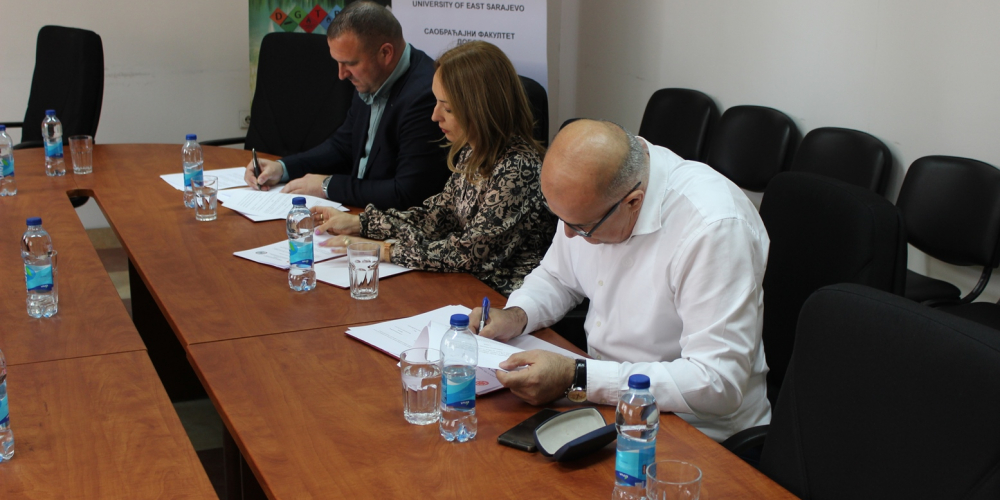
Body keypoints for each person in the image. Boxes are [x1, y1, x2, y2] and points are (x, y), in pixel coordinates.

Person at [471, 120, 771, 442]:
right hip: (602, 403)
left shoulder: (714, 228)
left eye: (581, 227)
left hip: (692, 431)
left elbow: (716, 382)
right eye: (562, 219)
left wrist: (578, 376)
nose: (568, 234)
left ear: (633, 202)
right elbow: (558, 276)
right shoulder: (593, 194)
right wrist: (517, 315)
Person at [310, 41, 556, 296]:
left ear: (481, 109)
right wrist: (360, 223)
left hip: (500, 300)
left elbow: (468, 254)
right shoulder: (473, 150)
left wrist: (383, 250)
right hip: (463, 284)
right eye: (436, 102)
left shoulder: (517, 170)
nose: (435, 116)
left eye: (448, 108)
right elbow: (436, 218)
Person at [244, 1, 449, 210]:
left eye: (350, 63)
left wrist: (326, 186)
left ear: (386, 53)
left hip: (392, 219)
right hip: (358, 209)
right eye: (338, 62)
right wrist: (283, 167)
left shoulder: (425, 96)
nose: (341, 75)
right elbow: (343, 146)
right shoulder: (371, 77)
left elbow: (406, 193)